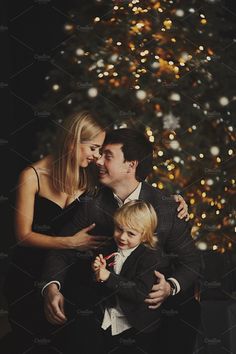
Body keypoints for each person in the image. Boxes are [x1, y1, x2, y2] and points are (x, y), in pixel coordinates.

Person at [42, 128, 199, 354]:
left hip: (150, 297)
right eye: (99, 154)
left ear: (130, 165)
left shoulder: (166, 207)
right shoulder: (93, 205)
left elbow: (192, 261)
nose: (98, 160)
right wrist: (51, 288)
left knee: (186, 310)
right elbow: (62, 248)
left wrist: (170, 287)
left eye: (108, 155)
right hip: (105, 294)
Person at [4, 111, 107, 353]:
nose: (97, 156)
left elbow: (133, 189)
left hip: (70, 272)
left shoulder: (91, 179)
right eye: (93, 148)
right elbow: (24, 236)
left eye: (100, 150)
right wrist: (70, 242)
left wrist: (175, 199)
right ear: (73, 140)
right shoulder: (32, 176)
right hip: (29, 273)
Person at [92, 200, 166, 354]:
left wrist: (108, 277)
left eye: (131, 233)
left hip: (137, 324)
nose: (122, 237)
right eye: (119, 229)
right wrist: (98, 272)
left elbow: (139, 292)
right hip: (110, 318)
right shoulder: (109, 248)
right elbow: (101, 285)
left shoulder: (150, 257)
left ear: (144, 236)